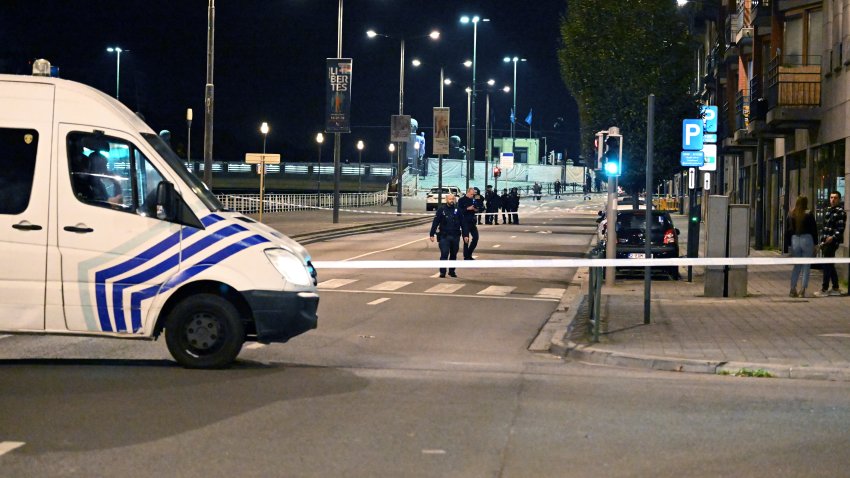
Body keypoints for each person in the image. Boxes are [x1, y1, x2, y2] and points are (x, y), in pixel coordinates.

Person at [814, 190, 846, 297]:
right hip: (825, 242)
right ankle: (836, 287)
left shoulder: (840, 212)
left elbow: (840, 228)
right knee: (830, 264)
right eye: (831, 197)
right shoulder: (828, 211)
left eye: (835, 198)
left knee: (827, 265)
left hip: (832, 242)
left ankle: (824, 289)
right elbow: (824, 228)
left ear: (839, 199)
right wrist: (822, 242)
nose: (833, 200)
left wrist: (832, 237)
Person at [429, 193, 469, 278]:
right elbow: (435, 222)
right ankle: (442, 272)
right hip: (444, 236)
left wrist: (466, 235)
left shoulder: (458, 210)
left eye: (453, 199)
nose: (452, 200)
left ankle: (452, 271)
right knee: (444, 253)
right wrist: (432, 234)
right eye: (450, 199)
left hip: (455, 236)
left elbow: (463, 223)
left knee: (454, 254)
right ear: (446, 200)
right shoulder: (441, 210)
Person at [786, 196, 818, 298]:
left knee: (797, 266)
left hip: (795, 239)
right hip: (807, 239)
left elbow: (788, 231)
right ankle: (803, 290)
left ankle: (792, 288)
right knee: (806, 266)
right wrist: (816, 244)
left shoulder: (791, 214)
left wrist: (789, 244)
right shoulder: (808, 214)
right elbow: (814, 230)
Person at [457, 187, 481, 260]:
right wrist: (467, 208)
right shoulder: (461, 200)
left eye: (473, 194)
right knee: (466, 240)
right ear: (468, 192)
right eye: (471, 194)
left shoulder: (473, 200)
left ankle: (469, 253)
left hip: (472, 222)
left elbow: (478, 209)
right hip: (465, 222)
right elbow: (458, 211)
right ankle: (466, 256)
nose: (472, 195)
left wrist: (475, 209)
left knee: (476, 238)